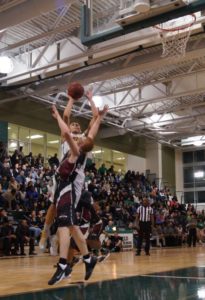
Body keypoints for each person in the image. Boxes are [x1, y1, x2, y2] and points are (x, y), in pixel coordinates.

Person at [48, 103, 108, 285]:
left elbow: (66, 132)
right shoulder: (82, 143)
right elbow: (92, 129)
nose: (78, 135)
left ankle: (63, 264)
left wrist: (58, 116)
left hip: (70, 187)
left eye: (80, 137)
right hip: (64, 186)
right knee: (71, 226)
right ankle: (89, 259)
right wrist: (100, 115)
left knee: (64, 226)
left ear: (81, 143)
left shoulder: (76, 150)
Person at [39, 90, 98, 251]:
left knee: (69, 214)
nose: (76, 125)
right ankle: (45, 233)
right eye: (74, 124)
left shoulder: (85, 139)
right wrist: (71, 98)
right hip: (63, 175)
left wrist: (91, 100)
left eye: (78, 124)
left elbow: (95, 119)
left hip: (77, 178)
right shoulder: (66, 136)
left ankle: (61, 244)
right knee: (53, 205)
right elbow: (65, 117)